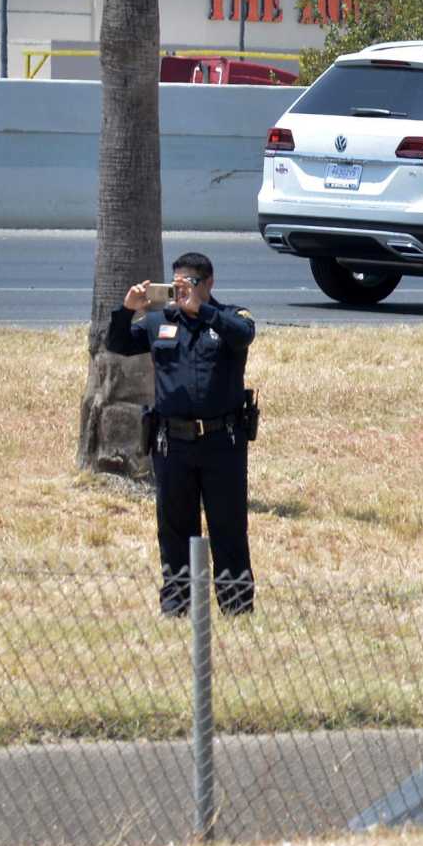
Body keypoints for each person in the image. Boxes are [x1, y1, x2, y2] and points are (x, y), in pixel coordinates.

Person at [106, 252, 258, 616]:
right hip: (172, 443)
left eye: (189, 283)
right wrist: (127, 310)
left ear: (209, 283)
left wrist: (201, 311)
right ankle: (177, 606)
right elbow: (118, 343)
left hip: (222, 442)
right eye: (175, 284)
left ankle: (236, 607)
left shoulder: (230, 317)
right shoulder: (158, 322)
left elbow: (244, 336)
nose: (181, 291)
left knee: (228, 527)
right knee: (175, 528)